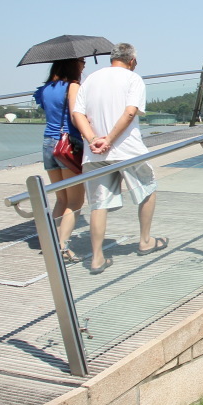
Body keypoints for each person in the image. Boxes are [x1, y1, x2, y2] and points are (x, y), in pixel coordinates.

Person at [72, 43, 167, 274]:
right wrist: (110, 140)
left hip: (94, 153)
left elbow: (77, 113)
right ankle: (145, 241)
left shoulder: (91, 79)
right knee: (147, 189)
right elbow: (130, 112)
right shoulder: (133, 79)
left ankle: (96, 258)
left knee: (98, 204)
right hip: (127, 150)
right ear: (132, 60)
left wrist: (94, 138)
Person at [33, 57, 86, 263]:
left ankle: (51, 244)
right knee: (75, 201)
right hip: (68, 144)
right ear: (71, 64)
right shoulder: (73, 87)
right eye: (81, 61)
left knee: (61, 198)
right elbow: (75, 117)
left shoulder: (46, 88)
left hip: (48, 143)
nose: (83, 65)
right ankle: (62, 247)